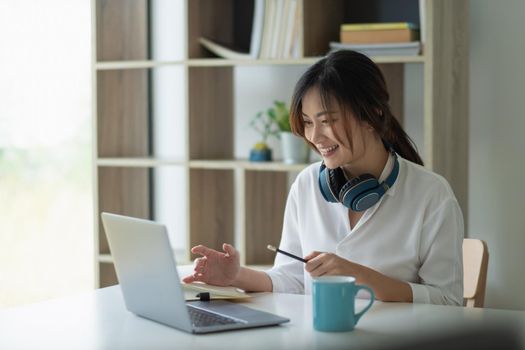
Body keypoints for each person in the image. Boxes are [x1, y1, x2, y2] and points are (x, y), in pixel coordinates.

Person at [183, 50, 464, 306]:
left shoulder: (431, 194)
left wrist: (361, 276)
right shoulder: (306, 185)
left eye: (327, 121)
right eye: (307, 122)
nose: (315, 137)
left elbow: (448, 301)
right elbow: (292, 280)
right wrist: (237, 276)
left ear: (372, 113)